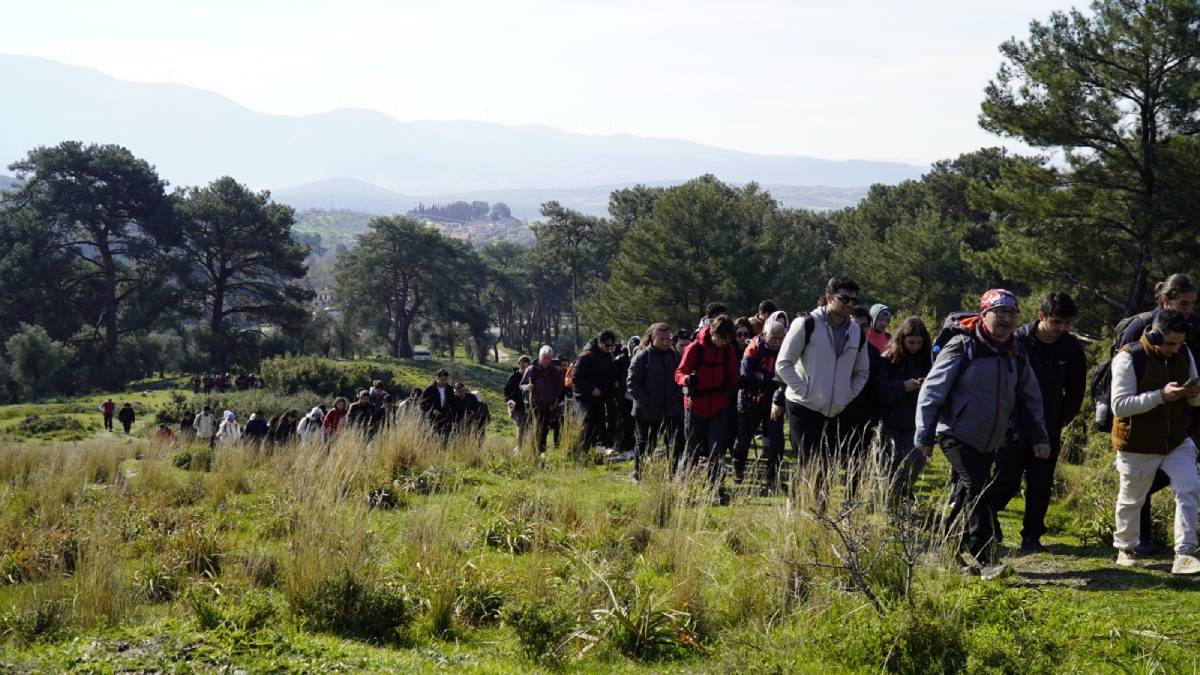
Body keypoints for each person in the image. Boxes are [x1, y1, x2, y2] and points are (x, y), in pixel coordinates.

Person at [916, 289, 1049, 574]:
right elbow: (931, 391)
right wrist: (924, 435)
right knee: (977, 488)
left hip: (990, 438)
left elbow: (1030, 397)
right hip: (955, 432)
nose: (1006, 319)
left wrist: (1038, 436)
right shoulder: (962, 346)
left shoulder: (1016, 351)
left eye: (1011, 313)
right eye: (999, 312)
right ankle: (985, 556)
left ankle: (946, 551)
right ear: (984, 314)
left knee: (967, 492)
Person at [992, 293, 1087, 552]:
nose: (1063, 328)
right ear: (1041, 316)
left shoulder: (1071, 348)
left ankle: (1032, 537)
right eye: (1057, 322)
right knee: (1005, 481)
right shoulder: (1016, 342)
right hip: (1012, 425)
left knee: (1041, 484)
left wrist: (1058, 421)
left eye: (1067, 322)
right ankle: (986, 521)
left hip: (1049, 426)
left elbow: (1076, 391)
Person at [1114, 273, 1200, 554]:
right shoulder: (1133, 345)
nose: (1175, 349)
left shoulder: (1186, 342)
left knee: (1188, 487)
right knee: (1133, 496)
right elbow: (1120, 400)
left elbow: (1194, 386)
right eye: (1184, 304)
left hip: (1177, 430)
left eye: (1192, 304)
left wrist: (1192, 393)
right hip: (1138, 434)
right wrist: (1162, 395)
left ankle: (1185, 550)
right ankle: (1130, 546)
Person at [776, 277, 872, 484]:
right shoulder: (806, 324)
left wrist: (846, 395)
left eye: (853, 300)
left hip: (837, 410)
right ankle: (805, 509)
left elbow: (862, 372)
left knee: (827, 468)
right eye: (844, 299)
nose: (849, 304)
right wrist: (806, 391)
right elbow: (783, 364)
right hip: (803, 406)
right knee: (809, 466)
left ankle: (815, 512)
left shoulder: (857, 333)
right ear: (829, 297)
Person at [675, 314, 739, 489]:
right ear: (712, 331)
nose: (723, 343)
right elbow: (679, 373)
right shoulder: (695, 349)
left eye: (727, 340)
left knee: (717, 449)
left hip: (719, 405)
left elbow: (733, 376)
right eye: (721, 338)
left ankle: (715, 487)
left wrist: (732, 389)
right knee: (692, 448)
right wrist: (687, 379)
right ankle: (683, 484)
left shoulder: (729, 351)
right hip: (696, 405)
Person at [875, 316, 933, 498]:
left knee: (916, 459)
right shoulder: (888, 359)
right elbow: (880, 391)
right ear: (902, 339)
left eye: (918, 343)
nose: (915, 347)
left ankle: (902, 492)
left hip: (914, 421)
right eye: (911, 342)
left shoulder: (928, 361)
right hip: (889, 420)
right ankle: (890, 498)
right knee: (890, 463)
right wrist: (902, 386)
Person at [736, 312, 788, 492]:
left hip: (775, 399)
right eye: (774, 338)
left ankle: (772, 478)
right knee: (744, 439)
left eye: (781, 339)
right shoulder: (753, 347)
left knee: (776, 441)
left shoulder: (785, 348)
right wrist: (770, 377)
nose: (777, 342)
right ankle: (738, 472)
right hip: (750, 397)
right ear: (765, 335)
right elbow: (746, 375)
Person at [627, 322, 684, 482]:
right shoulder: (643, 356)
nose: (666, 342)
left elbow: (681, 376)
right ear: (653, 337)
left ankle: (672, 473)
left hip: (670, 408)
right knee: (645, 443)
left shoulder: (674, 355)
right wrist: (646, 401)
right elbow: (632, 382)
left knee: (673, 442)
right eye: (662, 339)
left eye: (668, 338)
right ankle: (638, 473)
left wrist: (678, 397)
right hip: (645, 409)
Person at [572, 331, 619, 451]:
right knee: (587, 423)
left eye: (611, 346)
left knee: (600, 423)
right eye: (607, 345)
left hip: (600, 397)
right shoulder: (586, 356)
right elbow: (576, 377)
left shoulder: (608, 357)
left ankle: (596, 449)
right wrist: (591, 388)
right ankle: (582, 450)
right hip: (584, 397)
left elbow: (608, 376)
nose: (609, 348)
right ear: (599, 342)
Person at [521, 346, 564, 455]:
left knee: (544, 428)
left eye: (549, 358)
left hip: (549, 404)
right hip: (534, 404)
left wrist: (554, 398)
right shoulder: (531, 369)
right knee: (536, 427)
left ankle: (541, 452)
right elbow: (521, 385)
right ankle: (534, 451)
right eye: (544, 358)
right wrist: (527, 387)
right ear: (540, 357)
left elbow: (559, 387)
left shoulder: (556, 371)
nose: (546, 360)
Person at [612, 337, 641, 459]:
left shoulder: (642, 359)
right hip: (624, 398)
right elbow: (614, 377)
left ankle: (633, 447)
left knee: (636, 425)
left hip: (638, 398)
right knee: (625, 423)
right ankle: (624, 448)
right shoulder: (621, 360)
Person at [505, 356, 533, 443]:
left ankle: (526, 448)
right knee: (521, 427)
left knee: (529, 429)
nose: (525, 369)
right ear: (519, 366)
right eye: (523, 367)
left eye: (527, 367)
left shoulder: (531, 378)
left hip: (528, 408)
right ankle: (520, 448)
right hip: (516, 407)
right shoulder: (513, 377)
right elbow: (506, 392)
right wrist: (509, 401)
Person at [421, 370, 455, 439]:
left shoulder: (450, 389)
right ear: (437, 378)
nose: (444, 381)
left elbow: (452, 404)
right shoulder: (430, 389)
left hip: (446, 418)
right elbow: (422, 404)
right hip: (432, 419)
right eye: (442, 379)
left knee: (446, 439)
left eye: (446, 379)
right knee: (432, 439)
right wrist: (432, 410)